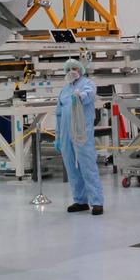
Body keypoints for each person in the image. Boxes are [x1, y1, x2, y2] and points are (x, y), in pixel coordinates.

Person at [54, 57, 103, 215]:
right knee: (71, 167)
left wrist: (80, 96)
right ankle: (80, 201)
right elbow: (59, 114)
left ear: (80, 70)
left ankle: (97, 202)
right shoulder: (64, 90)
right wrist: (58, 137)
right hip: (66, 133)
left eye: (74, 69)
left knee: (87, 165)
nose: (71, 72)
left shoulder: (88, 84)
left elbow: (89, 96)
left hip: (82, 131)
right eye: (68, 69)